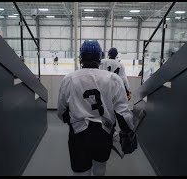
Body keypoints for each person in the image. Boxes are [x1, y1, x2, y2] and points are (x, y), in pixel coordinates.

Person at [57, 40, 137, 176]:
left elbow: (62, 111)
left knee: (81, 171)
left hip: (78, 133)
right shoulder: (114, 79)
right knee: (100, 166)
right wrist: (128, 130)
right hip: (104, 132)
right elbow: (123, 112)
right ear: (100, 58)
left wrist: (70, 120)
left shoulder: (69, 79)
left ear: (81, 58)